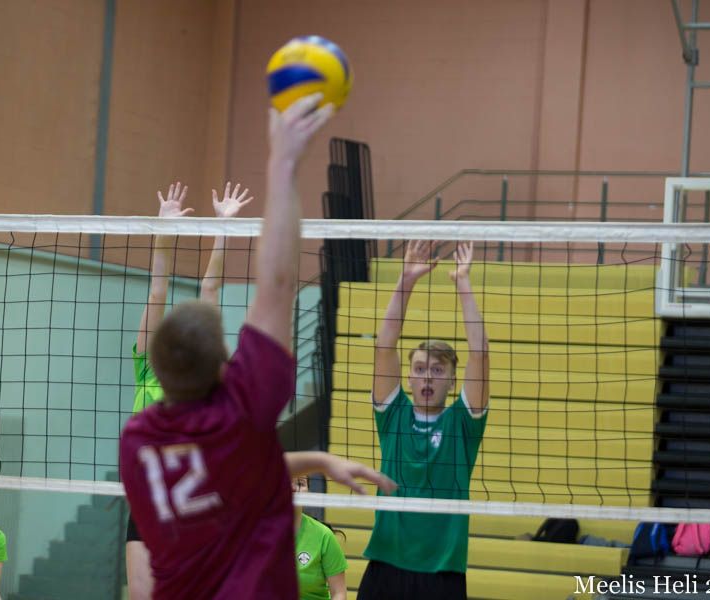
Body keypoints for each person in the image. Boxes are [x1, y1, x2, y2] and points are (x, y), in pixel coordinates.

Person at [120, 93, 395, 599]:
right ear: (221, 364)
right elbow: (276, 283)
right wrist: (283, 161)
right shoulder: (240, 411)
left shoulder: (136, 439)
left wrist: (316, 461)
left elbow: (229, 469)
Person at [126, 180, 253, 600]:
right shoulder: (147, 372)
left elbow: (209, 291)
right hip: (147, 503)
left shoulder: (209, 390)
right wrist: (164, 229)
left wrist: (223, 227)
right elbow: (157, 290)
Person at [357, 240, 490, 600]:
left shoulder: (463, 423)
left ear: (452, 379)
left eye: (437, 370)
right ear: (409, 377)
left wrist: (463, 283)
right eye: (419, 369)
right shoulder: (393, 414)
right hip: (386, 563)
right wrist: (406, 281)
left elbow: (480, 353)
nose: (427, 377)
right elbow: (384, 346)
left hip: (442, 572)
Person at [292, 476, 347, 600]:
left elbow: (339, 593)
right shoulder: (256, 533)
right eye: (286, 481)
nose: (294, 488)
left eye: (300, 483)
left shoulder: (324, 535)